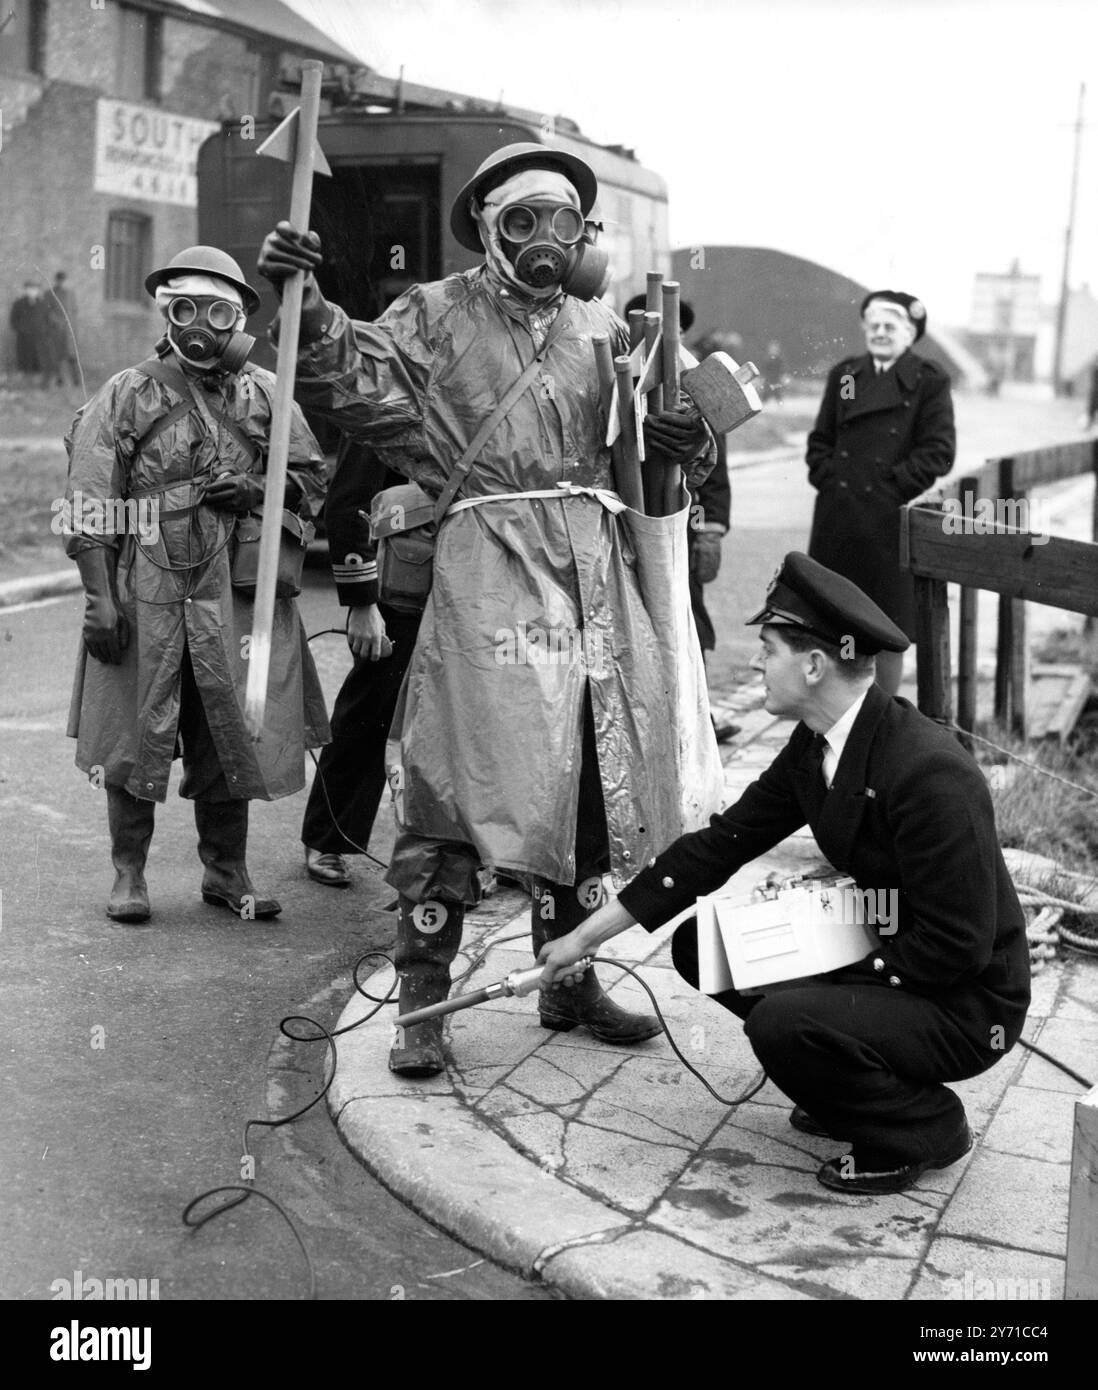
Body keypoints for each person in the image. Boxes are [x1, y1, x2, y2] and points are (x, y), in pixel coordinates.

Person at [258, 141, 715, 1076]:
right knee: (456, 783)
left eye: (562, 221)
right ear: (488, 228)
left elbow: (651, 464)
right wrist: (302, 311)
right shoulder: (433, 314)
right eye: (522, 220)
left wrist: (684, 440)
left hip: (592, 574)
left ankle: (568, 976)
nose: (545, 239)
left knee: (587, 773)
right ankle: (423, 1002)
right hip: (487, 571)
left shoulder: (604, 331)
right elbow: (351, 376)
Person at [539, 552, 1031, 1194]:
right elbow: (718, 847)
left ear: (815, 664)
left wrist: (823, 978)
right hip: (893, 947)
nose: (753, 663)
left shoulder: (929, 773)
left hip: (963, 999)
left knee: (785, 1019)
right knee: (707, 946)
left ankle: (924, 1125)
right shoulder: (817, 744)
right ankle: (847, 1085)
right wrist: (584, 937)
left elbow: (958, 947)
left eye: (767, 648)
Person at [63, 246, 330, 924]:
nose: (200, 325)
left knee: (230, 727)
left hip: (233, 591)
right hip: (142, 583)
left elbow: (310, 481)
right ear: (166, 314)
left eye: (217, 311)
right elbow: (90, 499)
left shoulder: (269, 393)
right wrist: (99, 598)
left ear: (240, 318)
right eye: (185, 309)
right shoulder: (126, 393)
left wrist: (259, 490)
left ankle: (226, 872)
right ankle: (129, 875)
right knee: (132, 729)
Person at [805, 290, 955, 696]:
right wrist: (830, 478)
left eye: (890, 326)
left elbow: (938, 452)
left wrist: (892, 489)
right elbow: (822, 439)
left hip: (887, 523)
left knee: (885, 626)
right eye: (873, 325)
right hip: (838, 516)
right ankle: (833, 713)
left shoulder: (927, 380)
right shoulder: (848, 375)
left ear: (909, 334)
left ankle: (880, 718)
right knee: (834, 622)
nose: (880, 332)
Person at [299, 430, 421, 887]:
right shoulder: (386, 400)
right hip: (402, 581)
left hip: (472, 580)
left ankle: (468, 856)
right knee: (372, 707)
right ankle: (329, 837)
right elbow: (350, 500)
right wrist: (361, 601)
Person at [623, 294, 735, 742]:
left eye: (677, 331)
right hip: (634, 517)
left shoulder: (698, 381)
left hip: (684, 525)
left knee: (689, 618)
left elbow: (718, 468)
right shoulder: (630, 375)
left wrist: (712, 530)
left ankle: (699, 721)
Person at [10, 280, 53, 387]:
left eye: (34, 289)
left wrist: (44, 332)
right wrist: (22, 330)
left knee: (39, 360)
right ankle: (26, 383)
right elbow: (13, 320)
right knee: (25, 360)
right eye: (29, 289)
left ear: (38, 290)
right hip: (24, 338)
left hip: (40, 339)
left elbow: (48, 320)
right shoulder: (18, 303)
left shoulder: (43, 304)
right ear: (25, 290)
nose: (32, 291)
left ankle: (39, 383)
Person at [47, 271, 81, 388]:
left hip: (69, 330)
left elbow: (74, 310)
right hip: (56, 331)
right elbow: (47, 311)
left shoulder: (70, 293)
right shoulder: (50, 293)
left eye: (64, 281)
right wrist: (56, 321)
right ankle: (59, 380)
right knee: (57, 356)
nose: (62, 283)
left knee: (72, 356)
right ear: (56, 281)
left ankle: (76, 380)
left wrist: (71, 325)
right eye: (60, 281)